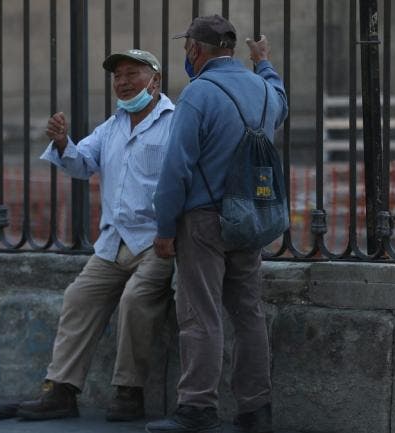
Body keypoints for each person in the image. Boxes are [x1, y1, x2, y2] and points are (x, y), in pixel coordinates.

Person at [15, 49, 175, 422]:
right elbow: (81, 163)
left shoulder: (175, 122)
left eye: (131, 74)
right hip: (114, 240)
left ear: (156, 79)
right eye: (117, 76)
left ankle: (128, 391)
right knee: (78, 297)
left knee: (136, 300)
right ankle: (61, 389)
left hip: (156, 240)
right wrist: (61, 142)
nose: (122, 82)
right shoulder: (113, 126)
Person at [147, 15, 288, 433]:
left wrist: (165, 228)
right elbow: (280, 100)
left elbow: (176, 170)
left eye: (186, 47)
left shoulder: (198, 93)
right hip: (249, 217)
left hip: (204, 220)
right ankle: (255, 409)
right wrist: (263, 61)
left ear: (195, 49)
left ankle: (197, 408)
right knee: (248, 312)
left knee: (200, 315)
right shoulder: (262, 89)